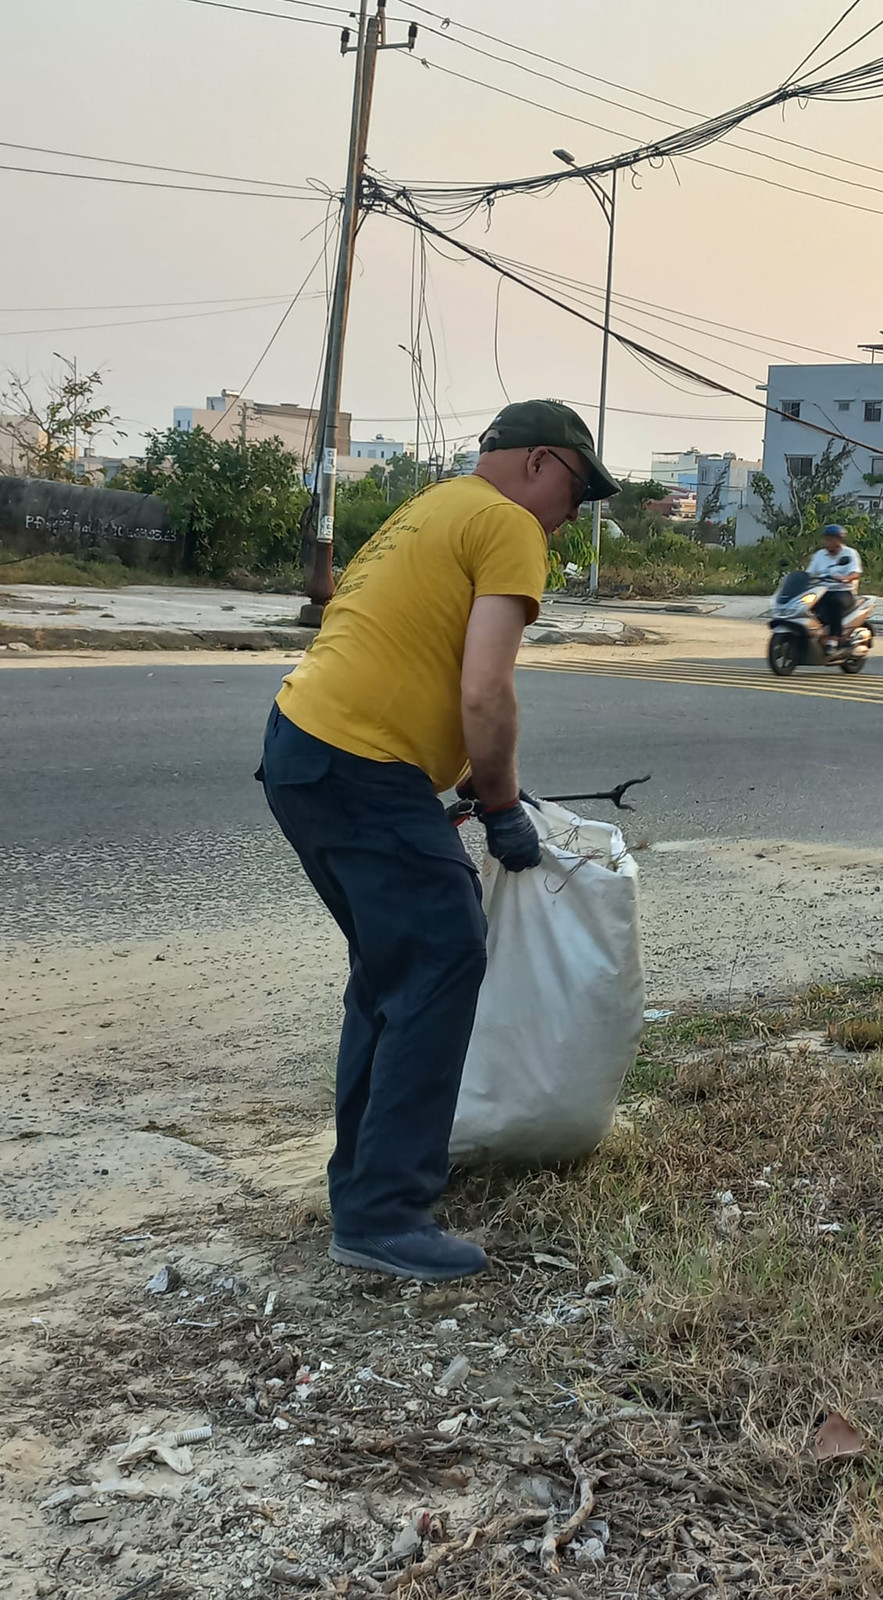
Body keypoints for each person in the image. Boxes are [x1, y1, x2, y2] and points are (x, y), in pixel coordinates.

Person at [257, 399, 619, 1284]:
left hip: (304, 749)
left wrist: (454, 779)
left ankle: (368, 1187)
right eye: (577, 490)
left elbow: (400, 651)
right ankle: (383, 1213)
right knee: (440, 957)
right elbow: (487, 693)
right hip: (359, 765)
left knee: (395, 972)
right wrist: (499, 807)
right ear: (539, 462)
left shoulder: (430, 507)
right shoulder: (506, 524)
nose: (574, 515)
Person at [807, 524, 862, 650]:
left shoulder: (850, 554)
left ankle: (834, 639)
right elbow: (809, 573)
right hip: (821, 590)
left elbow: (856, 572)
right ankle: (815, 634)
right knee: (806, 605)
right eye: (826, 539)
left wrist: (846, 578)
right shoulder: (820, 555)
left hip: (843, 591)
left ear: (839, 540)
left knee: (834, 603)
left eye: (831, 539)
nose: (827, 542)